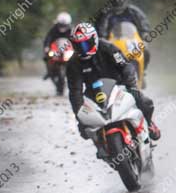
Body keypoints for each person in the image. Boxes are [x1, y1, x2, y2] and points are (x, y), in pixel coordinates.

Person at [67, 23, 160, 154]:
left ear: (94, 39)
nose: (82, 49)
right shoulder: (73, 64)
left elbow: (125, 67)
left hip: (118, 84)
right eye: (78, 46)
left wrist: (132, 86)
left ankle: (150, 125)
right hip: (94, 93)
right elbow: (75, 91)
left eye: (85, 44)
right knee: (84, 128)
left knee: (145, 102)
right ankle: (102, 147)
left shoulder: (108, 48)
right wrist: (79, 112)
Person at [97, 0, 152, 68]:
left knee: (146, 52)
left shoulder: (134, 12)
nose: (118, 4)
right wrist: (103, 40)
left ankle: (142, 71)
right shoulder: (105, 15)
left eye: (120, 2)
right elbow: (101, 30)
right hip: (112, 43)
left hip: (133, 41)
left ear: (125, 0)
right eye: (115, 2)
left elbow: (144, 26)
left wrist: (144, 36)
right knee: (101, 55)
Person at [42, 12, 73, 76]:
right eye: (61, 25)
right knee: (47, 57)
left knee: (76, 58)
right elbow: (48, 38)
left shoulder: (71, 30)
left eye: (64, 25)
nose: (63, 27)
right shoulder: (54, 29)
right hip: (55, 50)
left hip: (67, 50)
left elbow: (75, 39)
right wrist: (46, 47)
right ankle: (49, 71)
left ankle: (77, 72)